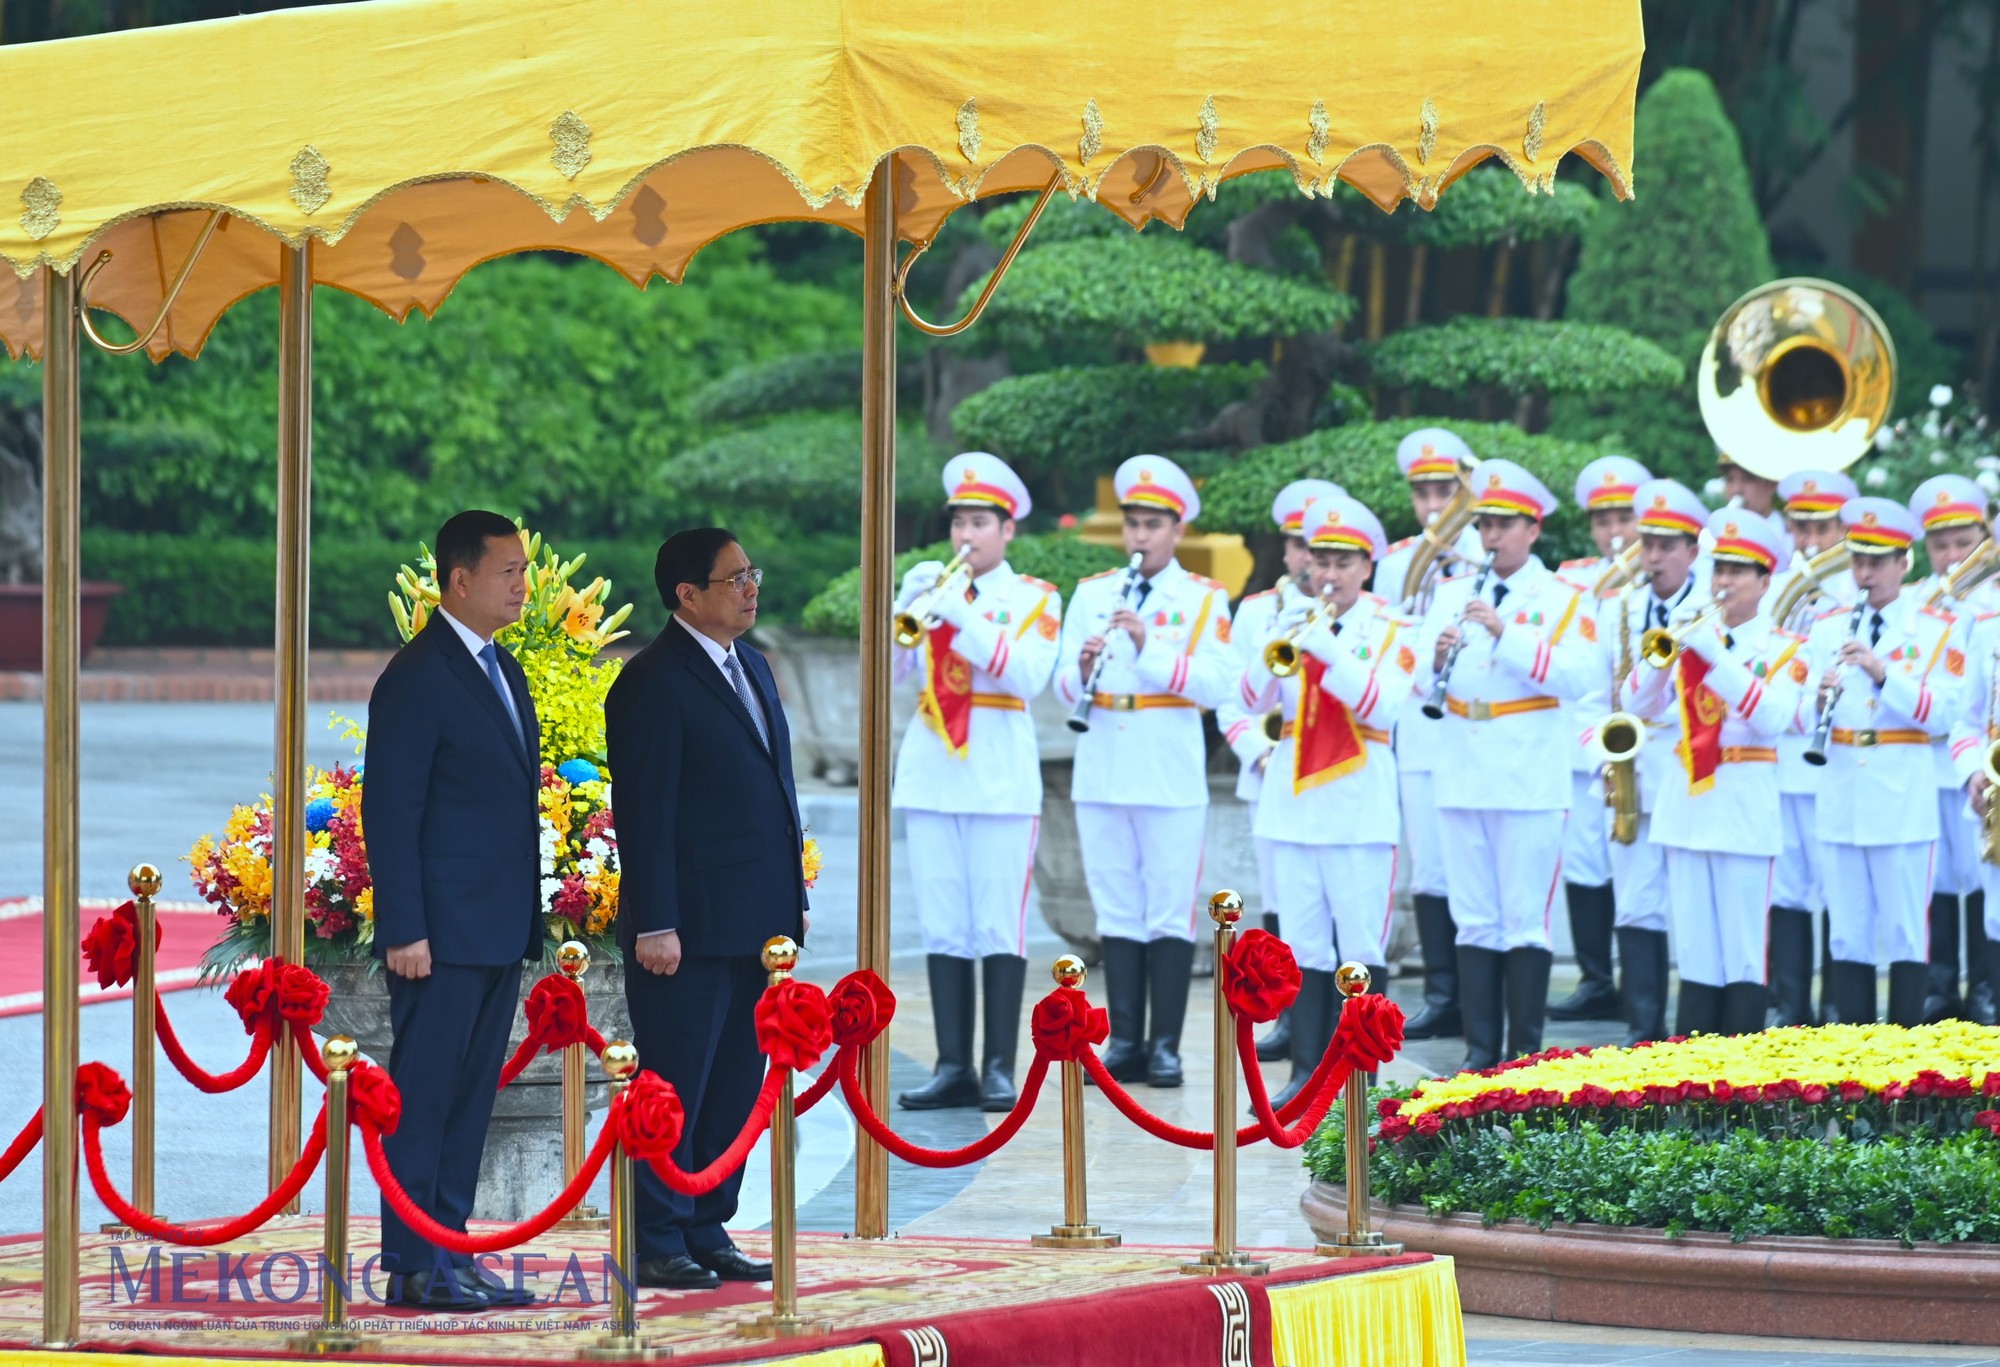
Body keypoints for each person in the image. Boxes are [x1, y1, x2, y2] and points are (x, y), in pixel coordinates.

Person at [605, 528, 808, 1289]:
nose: (751, 588)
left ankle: (705, 1221)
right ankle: (656, 1234)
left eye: (753, 573)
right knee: (677, 1082)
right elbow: (645, 812)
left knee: (731, 1084)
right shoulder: (652, 681)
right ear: (687, 594)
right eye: (734, 579)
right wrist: (655, 918)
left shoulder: (752, 666)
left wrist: (794, 901)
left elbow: (775, 794)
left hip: (756, 921)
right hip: (685, 927)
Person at [362, 509, 541, 1311]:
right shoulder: (416, 674)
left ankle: (453, 1249)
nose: (522, 584)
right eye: (507, 571)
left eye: (524, 569)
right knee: (425, 1098)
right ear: (458, 579)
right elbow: (389, 811)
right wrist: (404, 927)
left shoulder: (506, 669)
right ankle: (412, 1261)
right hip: (437, 935)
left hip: (495, 926)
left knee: (470, 1101)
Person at [1054, 455, 1237, 1088]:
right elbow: (1056, 685)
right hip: (1103, 761)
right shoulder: (1092, 592)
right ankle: (1125, 1039)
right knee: (1116, 910)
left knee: (1166, 911)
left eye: (1153, 524)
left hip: (1167, 769)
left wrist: (1147, 647)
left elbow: (1217, 683)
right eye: (1132, 523)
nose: (1140, 535)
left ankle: (1165, 1045)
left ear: (1177, 529)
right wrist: (1080, 670)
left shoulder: (1203, 598)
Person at [890, 454, 1061, 1112]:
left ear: (1007, 529)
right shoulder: (933, 585)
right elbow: (901, 672)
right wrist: (907, 607)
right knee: (943, 924)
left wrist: (960, 615)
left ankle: (997, 1065)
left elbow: (1026, 675)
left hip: (997, 774)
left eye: (980, 521)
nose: (967, 533)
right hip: (934, 768)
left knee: (997, 925)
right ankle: (952, 1062)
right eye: (959, 520)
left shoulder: (1035, 597)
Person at [1416, 460, 1596, 1072]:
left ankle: (1523, 1058)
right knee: (1473, 918)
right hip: (1462, 766)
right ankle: (1477, 1051)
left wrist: (1505, 634)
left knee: (1523, 919)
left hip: (1527, 776)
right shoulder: (1448, 594)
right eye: (1484, 524)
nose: (1490, 537)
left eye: (1503, 525)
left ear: (1533, 529)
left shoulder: (1563, 598)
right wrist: (1435, 657)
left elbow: (1579, 675)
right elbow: (1414, 680)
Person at [1238, 493, 1414, 1105]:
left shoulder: (1394, 628)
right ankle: (1306, 1075)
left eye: (1343, 563)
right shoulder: (1287, 619)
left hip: (1359, 808)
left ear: (1367, 567)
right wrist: (1282, 643)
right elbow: (1251, 699)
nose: (1329, 574)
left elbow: (1385, 705)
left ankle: (1360, 1079)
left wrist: (1329, 647)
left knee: (1360, 945)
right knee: (1304, 947)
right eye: (1321, 562)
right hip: (1293, 806)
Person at [1621, 509, 1804, 1036]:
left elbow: (1773, 718)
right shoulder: (1691, 636)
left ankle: (1740, 1089)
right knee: (1697, 955)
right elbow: (1635, 703)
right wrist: (1664, 657)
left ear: (1765, 582)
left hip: (1745, 811)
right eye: (1719, 569)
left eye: (1738, 571)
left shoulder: (1786, 649)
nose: (1723, 582)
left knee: (1743, 955)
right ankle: (1693, 1091)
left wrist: (1712, 656)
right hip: (1688, 808)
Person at [1807, 498, 1961, 1026]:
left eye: (1877, 562)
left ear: (1904, 561)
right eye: (1857, 562)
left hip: (1901, 794)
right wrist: (1818, 698)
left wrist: (1881, 672)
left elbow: (1944, 713)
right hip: (1843, 789)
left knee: (1903, 932)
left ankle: (1907, 1068)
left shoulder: (1938, 628)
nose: (1865, 573)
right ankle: (1850, 1067)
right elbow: (1799, 710)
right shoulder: (1826, 628)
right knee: (1847, 933)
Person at [1215, 477, 1344, 1064]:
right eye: (1295, 544)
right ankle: (1292, 1020)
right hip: (1276, 769)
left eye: (1312, 546)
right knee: (1283, 902)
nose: (1301, 557)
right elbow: (1231, 696)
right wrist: (1257, 751)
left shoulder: (1348, 611)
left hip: (1336, 769)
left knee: (1338, 903)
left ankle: (1339, 1022)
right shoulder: (1258, 611)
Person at [1375, 428, 1484, 1044]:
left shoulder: (1485, 556)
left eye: (1446, 490)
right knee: (1431, 868)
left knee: (1474, 864)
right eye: (1424, 493)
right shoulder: (1397, 563)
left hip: (1475, 729)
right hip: (1419, 727)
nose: (1435, 504)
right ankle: (1444, 994)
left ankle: (1478, 994)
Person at [1599, 478, 1711, 1046]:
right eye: (1648, 545)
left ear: (1693, 551)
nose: (1655, 557)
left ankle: (1693, 1036)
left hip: (1690, 770)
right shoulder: (1618, 607)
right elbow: (1597, 698)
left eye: (1668, 546)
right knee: (1635, 905)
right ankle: (1643, 1032)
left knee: (1690, 906)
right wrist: (1601, 751)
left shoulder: (1710, 610)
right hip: (1634, 770)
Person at [1546, 455, 1650, 1024]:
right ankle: (1594, 977)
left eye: (1624, 517)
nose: (1614, 530)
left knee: (1637, 865)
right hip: (1587, 740)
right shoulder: (1573, 579)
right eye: (1603, 518)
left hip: (1649, 740)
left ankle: (1641, 983)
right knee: (1586, 861)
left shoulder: (1664, 577)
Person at [1767, 469, 1859, 1027]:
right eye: (1799, 527)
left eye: (1821, 528)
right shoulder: (1777, 586)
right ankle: (1791, 1005)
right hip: (1783, 753)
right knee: (1789, 886)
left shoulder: (1856, 592)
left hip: (1835, 762)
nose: (1808, 541)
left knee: (1836, 887)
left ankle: (1835, 1008)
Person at [1906, 474, 1998, 1024]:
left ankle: (1985, 985)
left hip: (1978, 764)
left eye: (1963, 542)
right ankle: (1940, 985)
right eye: (1940, 545)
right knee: (1937, 877)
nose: (1951, 555)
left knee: (1982, 873)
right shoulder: (1918, 600)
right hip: (1925, 756)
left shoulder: (1988, 604)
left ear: (1983, 540)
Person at [1719, 451, 1778, 517]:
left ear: (1772, 484)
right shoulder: (1717, 526)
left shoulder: (1788, 527)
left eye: (1748, 479)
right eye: (1729, 479)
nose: (1736, 490)